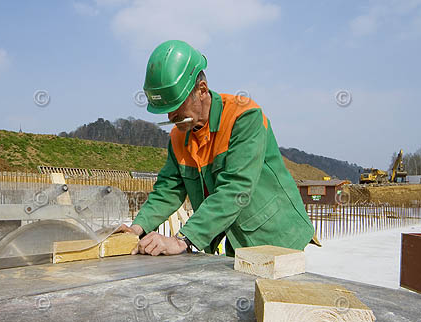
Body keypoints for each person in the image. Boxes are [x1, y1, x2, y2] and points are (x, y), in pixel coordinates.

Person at [119, 40, 315, 256]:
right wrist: (135, 229)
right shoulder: (178, 137)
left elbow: (235, 188)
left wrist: (183, 239)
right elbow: (167, 190)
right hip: (237, 242)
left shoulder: (244, 117)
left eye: (176, 106)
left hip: (277, 236)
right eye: (166, 111)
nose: (171, 117)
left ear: (201, 90)